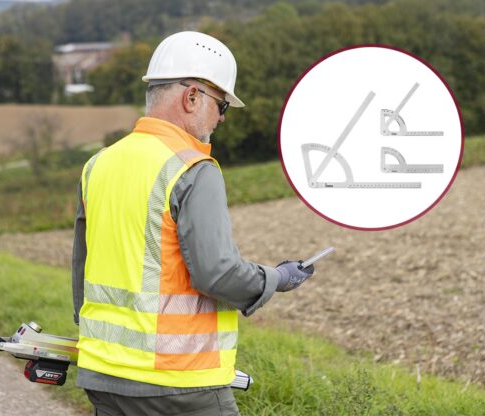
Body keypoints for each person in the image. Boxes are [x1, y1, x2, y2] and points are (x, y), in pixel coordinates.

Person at [71, 31, 314, 416]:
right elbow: (217, 274)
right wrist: (277, 278)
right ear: (192, 97)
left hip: (102, 373)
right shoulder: (192, 168)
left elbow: (81, 269)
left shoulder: (98, 164)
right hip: (177, 384)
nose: (220, 117)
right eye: (222, 105)